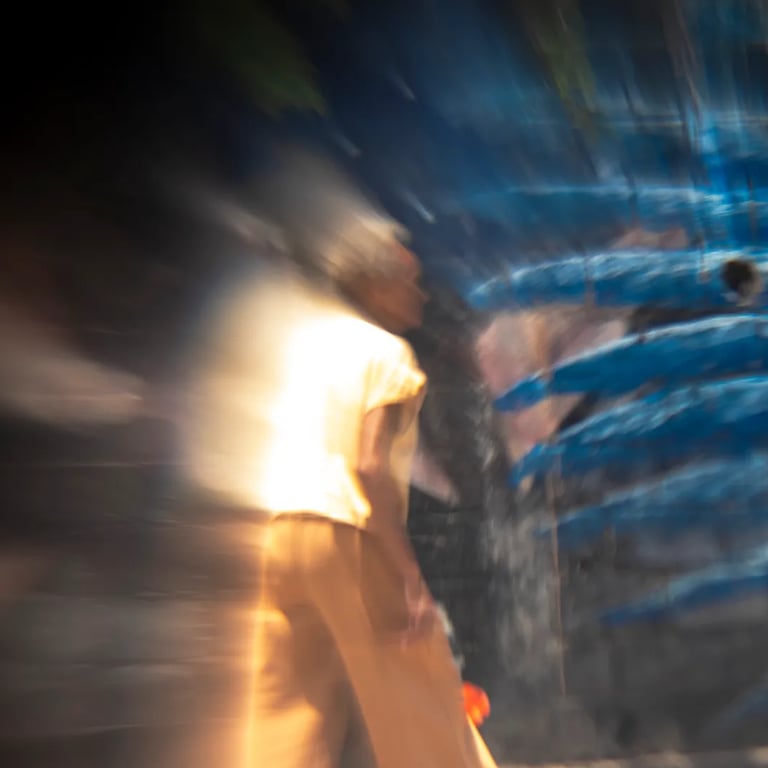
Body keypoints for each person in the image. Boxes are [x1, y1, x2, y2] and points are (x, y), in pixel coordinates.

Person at [185, 149, 499, 768]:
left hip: (283, 534)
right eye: (409, 280)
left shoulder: (310, 345)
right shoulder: (386, 354)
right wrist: (407, 577)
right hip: (347, 533)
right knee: (419, 690)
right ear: (375, 284)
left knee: (289, 706)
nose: (421, 295)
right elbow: (369, 468)